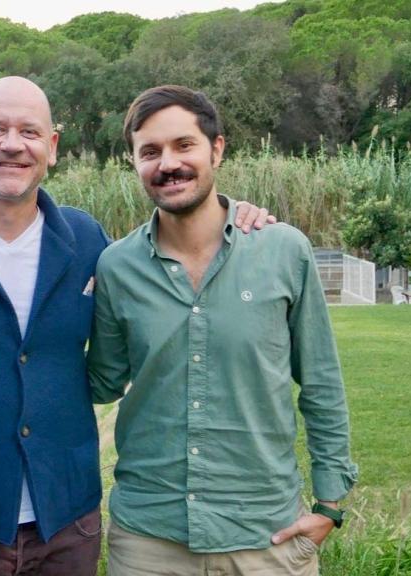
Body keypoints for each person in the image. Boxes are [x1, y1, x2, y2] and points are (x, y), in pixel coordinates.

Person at [0, 77, 272, 575]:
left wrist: (233, 214)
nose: (12, 145)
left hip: (68, 525)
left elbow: (166, 264)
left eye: (30, 132)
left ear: (52, 147)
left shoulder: (86, 238)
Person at [87, 85, 357, 576]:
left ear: (216, 149)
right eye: (150, 151)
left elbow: (321, 382)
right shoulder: (116, 266)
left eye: (184, 145)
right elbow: (101, 382)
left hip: (266, 538)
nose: (168, 164)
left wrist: (330, 504)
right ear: (133, 162)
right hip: (149, 541)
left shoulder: (283, 251)